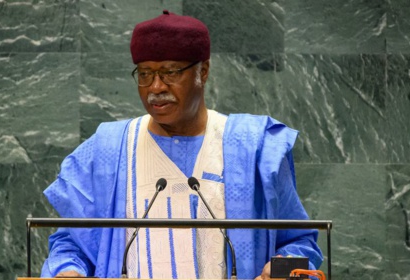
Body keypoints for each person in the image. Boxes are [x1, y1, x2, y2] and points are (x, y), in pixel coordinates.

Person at [41, 10, 322, 280]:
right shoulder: (107, 150)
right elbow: (71, 243)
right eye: (145, 74)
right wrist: (69, 271)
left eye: (171, 72)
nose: (155, 87)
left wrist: (283, 270)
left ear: (204, 71)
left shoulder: (254, 147)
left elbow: (300, 243)